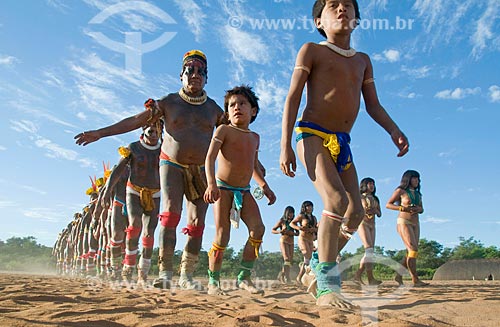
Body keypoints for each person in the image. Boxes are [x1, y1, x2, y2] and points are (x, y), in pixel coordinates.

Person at [279, 0, 409, 307]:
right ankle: (327, 283)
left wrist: (393, 129)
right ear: (319, 21)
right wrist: (284, 144)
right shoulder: (312, 50)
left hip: (342, 142)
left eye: (348, 6)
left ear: (357, 20)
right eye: (333, 5)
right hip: (311, 134)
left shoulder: (363, 60)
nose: (342, 9)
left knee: (355, 213)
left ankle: (315, 263)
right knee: (335, 200)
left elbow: (373, 105)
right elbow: (293, 97)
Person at [75, 50, 227, 290]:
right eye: (190, 71)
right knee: (170, 215)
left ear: (207, 78)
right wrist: (100, 133)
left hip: (200, 169)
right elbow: (136, 120)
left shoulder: (215, 110)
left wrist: (255, 164)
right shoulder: (168, 103)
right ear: (181, 75)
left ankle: (186, 274)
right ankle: (165, 272)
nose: (195, 75)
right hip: (171, 165)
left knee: (197, 222)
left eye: (201, 72)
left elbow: (236, 136)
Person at [204, 85, 276, 296]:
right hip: (222, 189)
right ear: (227, 111)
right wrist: (211, 184)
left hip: (244, 190)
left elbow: (253, 165)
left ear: (253, 111)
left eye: (242, 104)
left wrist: (265, 186)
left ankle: (244, 277)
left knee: (258, 229)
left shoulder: (255, 137)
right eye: (232, 105)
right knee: (222, 235)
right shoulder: (223, 130)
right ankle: (213, 282)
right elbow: (209, 158)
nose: (236, 108)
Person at [102, 122, 162, 285]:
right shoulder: (133, 148)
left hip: (155, 193)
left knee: (149, 233)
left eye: (158, 131)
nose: (154, 134)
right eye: (151, 130)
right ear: (144, 131)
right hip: (133, 191)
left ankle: (143, 273)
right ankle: (127, 268)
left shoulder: (165, 149)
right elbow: (118, 170)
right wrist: (107, 191)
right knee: (135, 226)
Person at [386, 170, 428, 287]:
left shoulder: (418, 194)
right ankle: (415, 278)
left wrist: (418, 209)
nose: (417, 181)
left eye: (418, 179)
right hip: (404, 222)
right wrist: (402, 208)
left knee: (412, 251)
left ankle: (398, 275)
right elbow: (388, 204)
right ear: (408, 179)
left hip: (416, 223)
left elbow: (422, 209)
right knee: (413, 249)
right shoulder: (401, 191)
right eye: (414, 178)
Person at [353, 177, 382, 285]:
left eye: (373, 184)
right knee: (368, 249)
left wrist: (375, 210)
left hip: (372, 225)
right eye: (369, 184)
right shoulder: (359, 197)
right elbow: (356, 210)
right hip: (363, 223)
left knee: (370, 252)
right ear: (364, 185)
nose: (372, 186)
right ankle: (360, 274)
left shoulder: (375, 198)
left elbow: (379, 213)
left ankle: (368, 277)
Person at [290, 201, 317, 286]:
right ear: (304, 208)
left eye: (311, 206)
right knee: (306, 254)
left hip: (310, 239)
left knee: (309, 258)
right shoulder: (301, 216)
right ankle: (301, 276)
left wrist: (314, 230)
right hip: (303, 238)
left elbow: (316, 229)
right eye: (307, 206)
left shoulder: (314, 218)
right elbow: (292, 223)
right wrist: (299, 228)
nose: (309, 208)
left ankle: (300, 276)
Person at [271, 206, 297, 284]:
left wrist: (293, 233)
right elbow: (273, 230)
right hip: (284, 240)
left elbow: (298, 232)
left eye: (292, 213)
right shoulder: (282, 221)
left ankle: (281, 275)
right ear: (286, 213)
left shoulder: (294, 222)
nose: (291, 215)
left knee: (290, 260)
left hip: (291, 241)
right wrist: (280, 231)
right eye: (289, 213)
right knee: (286, 258)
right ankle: (287, 277)